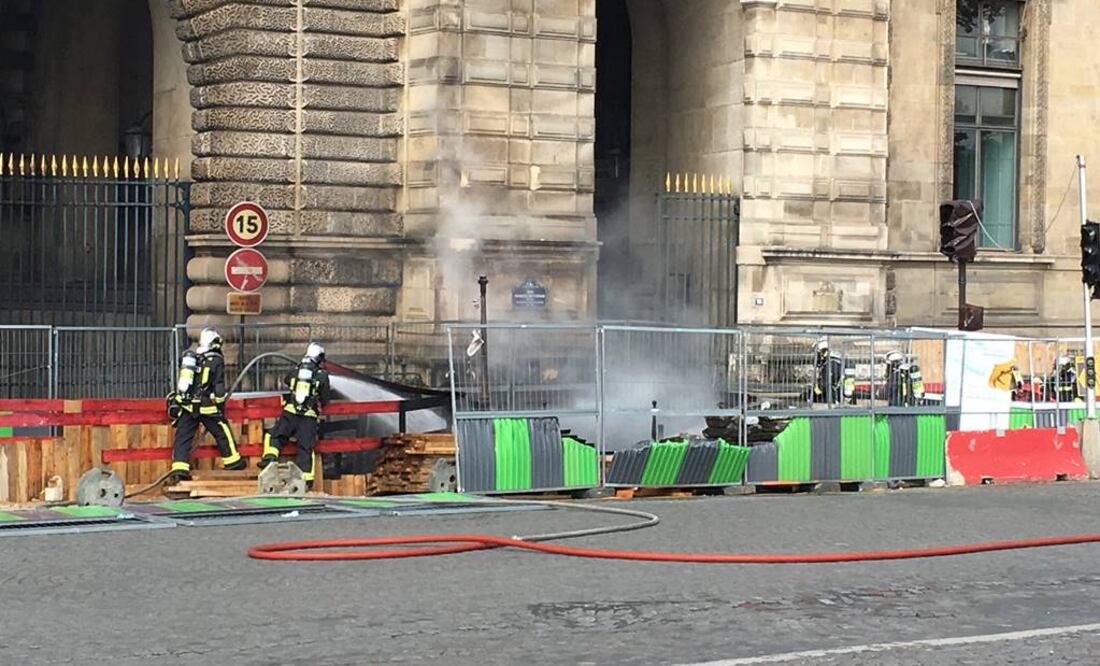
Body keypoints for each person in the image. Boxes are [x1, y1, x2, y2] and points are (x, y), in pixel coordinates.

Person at [166, 327, 244, 482]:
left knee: (183, 437)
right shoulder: (217, 360)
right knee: (222, 430)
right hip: (206, 406)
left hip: (188, 405)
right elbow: (219, 388)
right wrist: (220, 406)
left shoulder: (195, 358)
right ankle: (233, 462)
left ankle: (179, 469)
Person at [259, 343, 331, 487]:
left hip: (290, 413)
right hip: (308, 417)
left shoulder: (296, 370)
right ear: (319, 358)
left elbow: (287, 380)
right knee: (305, 447)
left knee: (275, 436)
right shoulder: (322, 375)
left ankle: (270, 458)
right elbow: (325, 398)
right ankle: (305, 480)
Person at [810, 338, 845, 405]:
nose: (815, 357)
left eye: (816, 353)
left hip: (832, 399)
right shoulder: (830, 363)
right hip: (832, 396)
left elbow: (825, 385)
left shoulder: (831, 364)